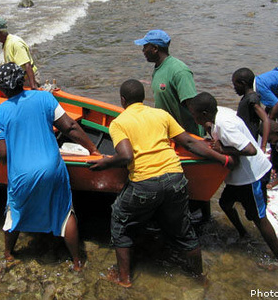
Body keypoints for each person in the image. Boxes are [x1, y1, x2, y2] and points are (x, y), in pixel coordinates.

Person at [89, 79, 232, 287]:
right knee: (184, 230)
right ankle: (199, 278)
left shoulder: (119, 123)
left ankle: (124, 279)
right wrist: (222, 160)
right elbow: (190, 142)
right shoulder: (161, 114)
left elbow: (126, 156)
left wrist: (105, 163)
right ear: (143, 98)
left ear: (122, 100)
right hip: (175, 177)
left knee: (120, 222)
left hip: (145, 183)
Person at [0, 62, 100, 270]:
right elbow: (70, 126)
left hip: (22, 173)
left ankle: (8, 255)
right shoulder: (45, 98)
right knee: (66, 213)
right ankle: (77, 262)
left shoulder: (0, 113)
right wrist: (92, 149)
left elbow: (2, 154)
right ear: (22, 80)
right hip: (52, 168)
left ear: (1, 89)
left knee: (14, 212)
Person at [188, 92, 278, 268]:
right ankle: (244, 234)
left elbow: (251, 150)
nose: (193, 118)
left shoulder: (225, 124)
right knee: (225, 203)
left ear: (205, 113)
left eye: (195, 115)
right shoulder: (217, 114)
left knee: (259, 218)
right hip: (239, 177)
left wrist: (223, 149)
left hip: (252, 177)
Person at [134, 29, 209, 221]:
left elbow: (192, 106)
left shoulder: (179, 70)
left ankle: (202, 217)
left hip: (188, 135)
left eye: (145, 47)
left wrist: (206, 135)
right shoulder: (159, 69)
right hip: (172, 136)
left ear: (155, 48)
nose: (142, 50)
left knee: (197, 184)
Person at [0, 17, 39, 89]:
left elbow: (27, 64)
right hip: (20, 78)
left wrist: (33, 86)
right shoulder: (6, 43)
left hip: (28, 79)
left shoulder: (15, 43)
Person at [232, 67, 270, 153]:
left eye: (235, 85)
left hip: (248, 141)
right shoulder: (247, 98)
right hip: (243, 138)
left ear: (243, 83)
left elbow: (265, 119)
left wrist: (263, 146)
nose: (234, 88)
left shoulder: (252, 99)